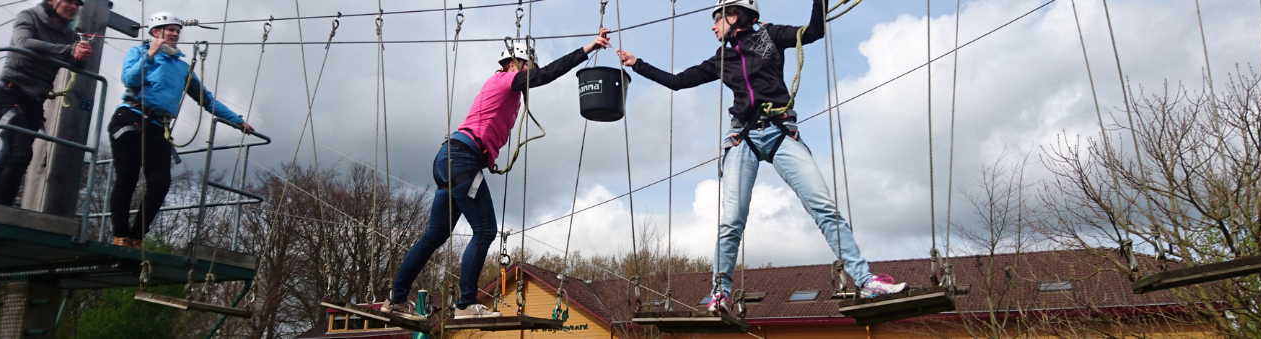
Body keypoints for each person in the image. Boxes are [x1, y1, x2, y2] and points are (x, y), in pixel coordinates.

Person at [616, 0, 908, 311]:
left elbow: (814, 32)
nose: (712, 26)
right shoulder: (722, 58)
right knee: (731, 222)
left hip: (781, 132)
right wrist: (638, 64)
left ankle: (866, 280)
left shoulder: (771, 36)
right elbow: (678, 82)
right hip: (743, 137)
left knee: (824, 208)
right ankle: (720, 295)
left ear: (733, 15)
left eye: (716, 19)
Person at [385, 29, 613, 320]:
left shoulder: (503, 87)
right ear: (515, 63)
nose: (531, 72)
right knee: (485, 230)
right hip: (463, 160)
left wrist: (486, 155)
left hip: (451, 158)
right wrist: (586, 48)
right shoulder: (506, 80)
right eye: (528, 65)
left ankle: (396, 298)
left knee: (435, 236)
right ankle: (466, 304)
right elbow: (547, 75)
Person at [108, 12, 253, 249]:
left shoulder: (182, 67)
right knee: (128, 177)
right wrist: (151, 54)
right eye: (170, 30)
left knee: (160, 183)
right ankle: (120, 235)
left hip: (157, 126)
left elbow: (206, 99)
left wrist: (237, 121)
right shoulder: (140, 53)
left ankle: (137, 236)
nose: (176, 34)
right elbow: (129, 79)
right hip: (130, 118)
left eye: (177, 30)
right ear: (156, 32)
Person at [0, 0, 92, 206]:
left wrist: (80, 53)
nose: (73, 7)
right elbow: (23, 42)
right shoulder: (28, 16)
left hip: (33, 102)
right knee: (21, 153)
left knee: (10, 154)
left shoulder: (68, 35)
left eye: (77, 4)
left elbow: (75, 64)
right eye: (69, 1)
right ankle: (0, 209)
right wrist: (68, 50)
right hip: (8, 95)